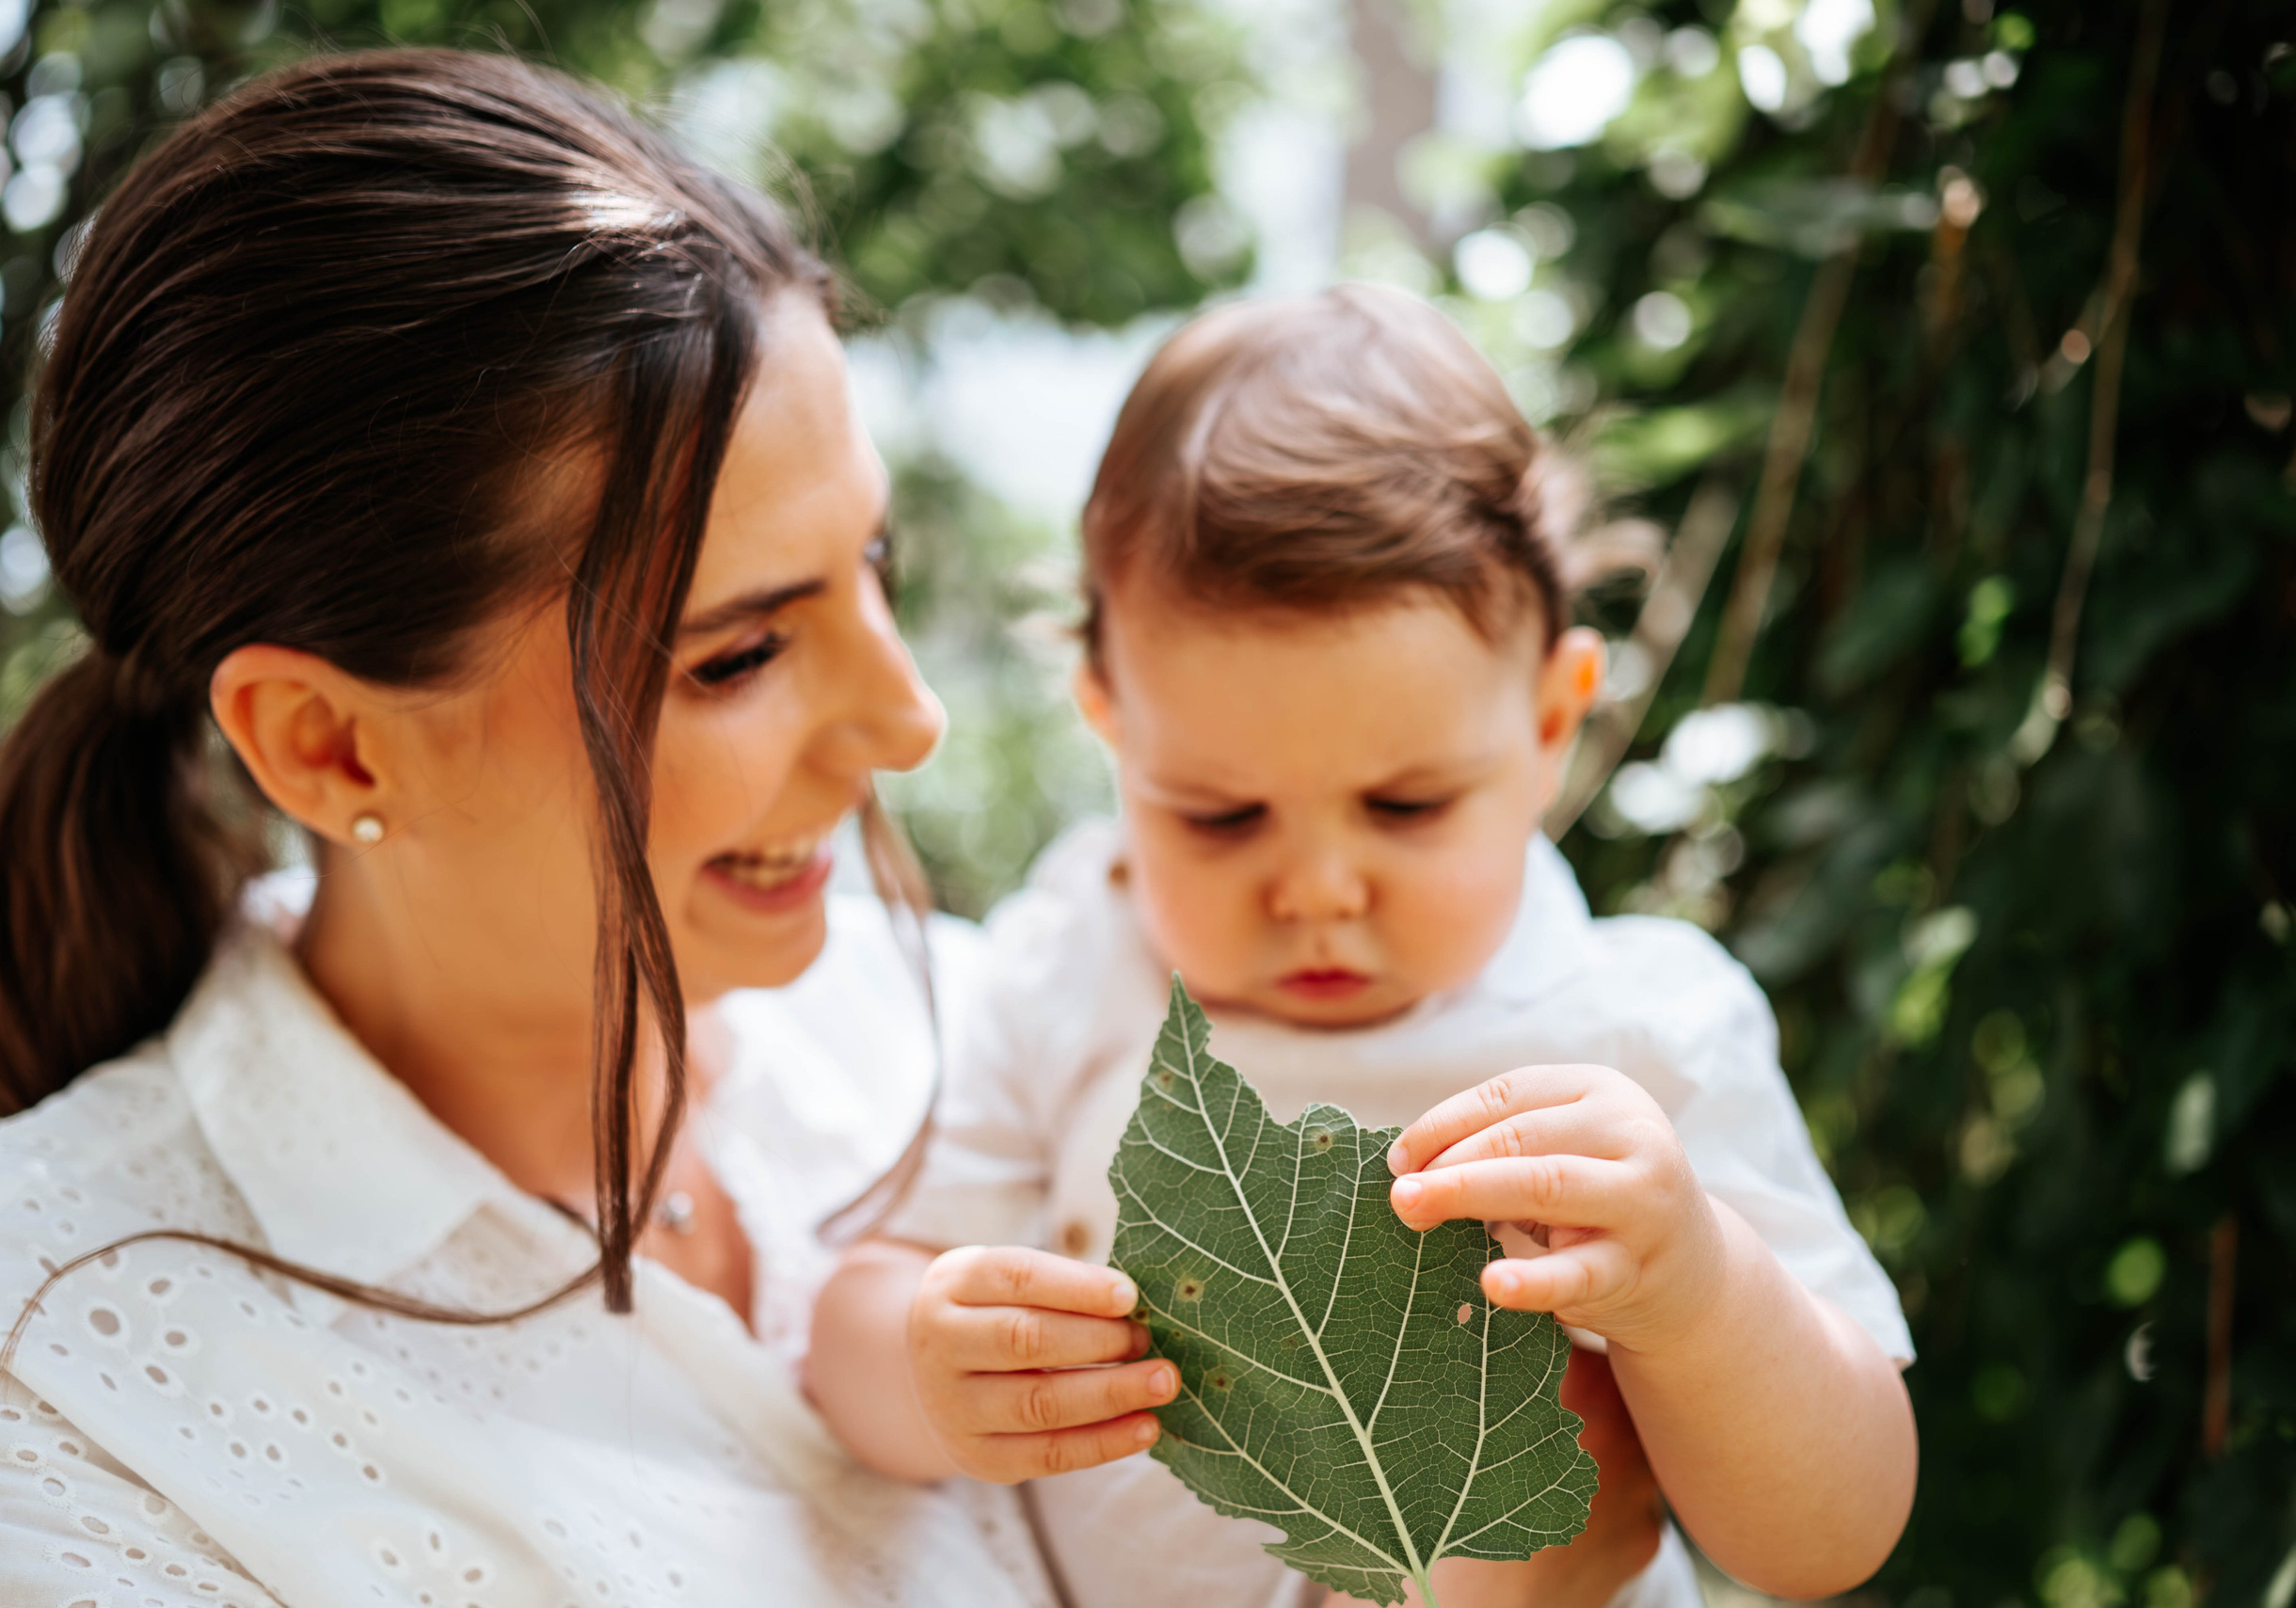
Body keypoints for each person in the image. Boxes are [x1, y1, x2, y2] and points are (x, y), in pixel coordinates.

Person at [0, 51, 1057, 1606]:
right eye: (739, 655)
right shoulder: (11, 1398)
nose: (910, 720)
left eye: (875, 563)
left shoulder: (994, 1049)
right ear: (330, 745)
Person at [806, 285, 1919, 1608]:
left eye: (1407, 806)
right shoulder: (1072, 967)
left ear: (1553, 721)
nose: (1319, 891)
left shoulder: (1639, 1034)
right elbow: (857, 1314)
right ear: (1109, 722)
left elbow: (1834, 1533)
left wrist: (1697, 1290)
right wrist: (930, 1366)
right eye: (1220, 816)